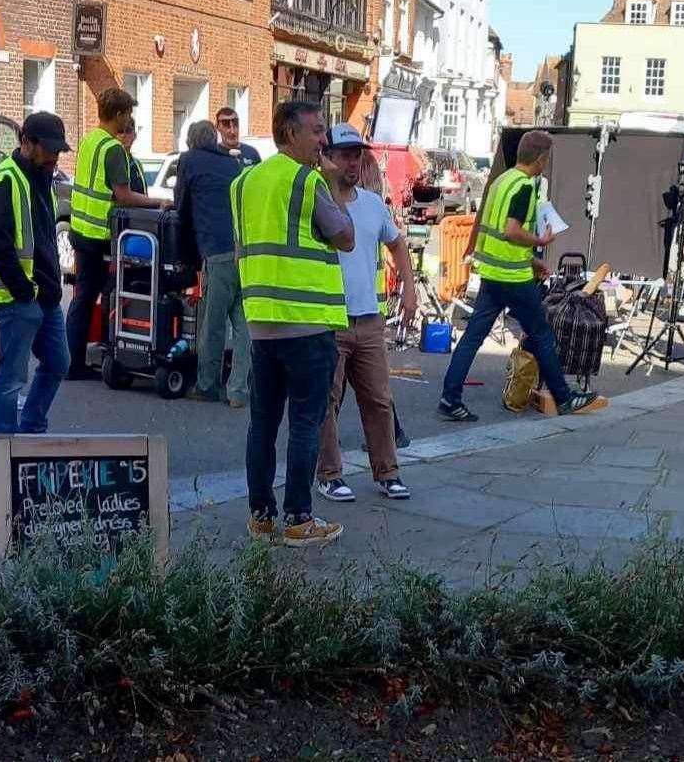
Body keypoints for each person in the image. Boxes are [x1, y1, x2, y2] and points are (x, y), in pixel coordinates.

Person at [233, 101, 354, 546]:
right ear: (288, 134)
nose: (324, 141)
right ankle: (300, 519)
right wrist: (330, 179)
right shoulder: (307, 179)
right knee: (306, 422)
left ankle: (261, 517)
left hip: (263, 322)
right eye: (316, 132)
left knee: (262, 423)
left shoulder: (245, 182)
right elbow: (346, 235)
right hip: (307, 321)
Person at [438, 129, 604, 421]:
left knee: (473, 336)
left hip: (492, 273)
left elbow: (498, 234)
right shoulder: (525, 186)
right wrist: (540, 243)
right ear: (540, 159)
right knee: (542, 335)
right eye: (547, 157)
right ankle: (565, 399)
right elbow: (511, 230)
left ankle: (450, 398)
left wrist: (531, 262)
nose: (546, 162)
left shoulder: (502, 181)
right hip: (513, 278)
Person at [314, 124, 416, 503]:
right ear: (327, 157)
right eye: (344, 154)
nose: (352, 162)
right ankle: (329, 473)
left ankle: (388, 472)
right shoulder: (317, 199)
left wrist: (410, 289)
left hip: (368, 319)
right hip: (331, 317)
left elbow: (397, 244)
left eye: (357, 154)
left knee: (378, 398)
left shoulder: (372, 203)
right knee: (328, 401)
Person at [0, 113, 70, 434]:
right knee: (11, 378)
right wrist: (24, 291)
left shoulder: (43, 179)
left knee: (58, 363)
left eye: (58, 150)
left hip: (45, 296)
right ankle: (8, 449)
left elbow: (43, 239)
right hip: (18, 297)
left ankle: (31, 429)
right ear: (26, 143)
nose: (55, 156)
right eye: (49, 149)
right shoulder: (4, 180)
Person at [67, 86, 162, 379]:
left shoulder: (89, 141)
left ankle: (75, 360)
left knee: (82, 297)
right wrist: (159, 201)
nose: (129, 120)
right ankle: (99, 357)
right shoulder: (113, 150)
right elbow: (124, 196)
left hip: (79, 229)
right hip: (100, 235)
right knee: (107, 295)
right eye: (128, 114)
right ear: (119, 114)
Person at [176, 118, 259, 406]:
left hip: (217, 251)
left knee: (212, 323)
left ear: (190, 142)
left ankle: (207, 385)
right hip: (244, 251)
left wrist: (185, 259)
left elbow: (182, 209)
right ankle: (238, 390)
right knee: (242, 323)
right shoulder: (232, 164)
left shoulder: (189, 161)